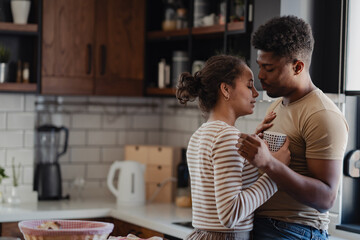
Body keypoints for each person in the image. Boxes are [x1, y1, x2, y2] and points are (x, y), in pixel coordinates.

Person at [237, 15, 349, 240]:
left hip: (292, 231)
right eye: (260, 66)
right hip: (261, 224)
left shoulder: (322, 115)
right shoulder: (278, 104)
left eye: (269, 68)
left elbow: (326, 198)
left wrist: (268, 163)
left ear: (297, 67)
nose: (260, 75)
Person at [176, 54, 290, 240]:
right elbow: (230, 215)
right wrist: (275, 173)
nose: (255, 93)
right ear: (226, 89)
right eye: (249, 85)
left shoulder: (200, 135)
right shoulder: (227, 137)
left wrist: (253, 141)